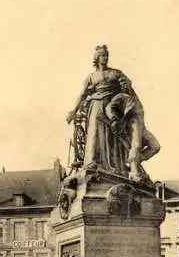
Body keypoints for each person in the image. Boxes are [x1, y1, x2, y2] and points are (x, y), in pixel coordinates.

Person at [66, 44, 160, 182]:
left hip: (114, 106)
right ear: (97, 58)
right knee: (94, 133)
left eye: (106, 55)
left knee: (113, 137)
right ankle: (92, 161)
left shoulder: (116, 73)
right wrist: (73, 111)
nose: (105, 58)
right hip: (97, 105)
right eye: (102, 55)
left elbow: (127, 87)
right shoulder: (91, 77)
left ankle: (116, 165)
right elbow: (82, 95)